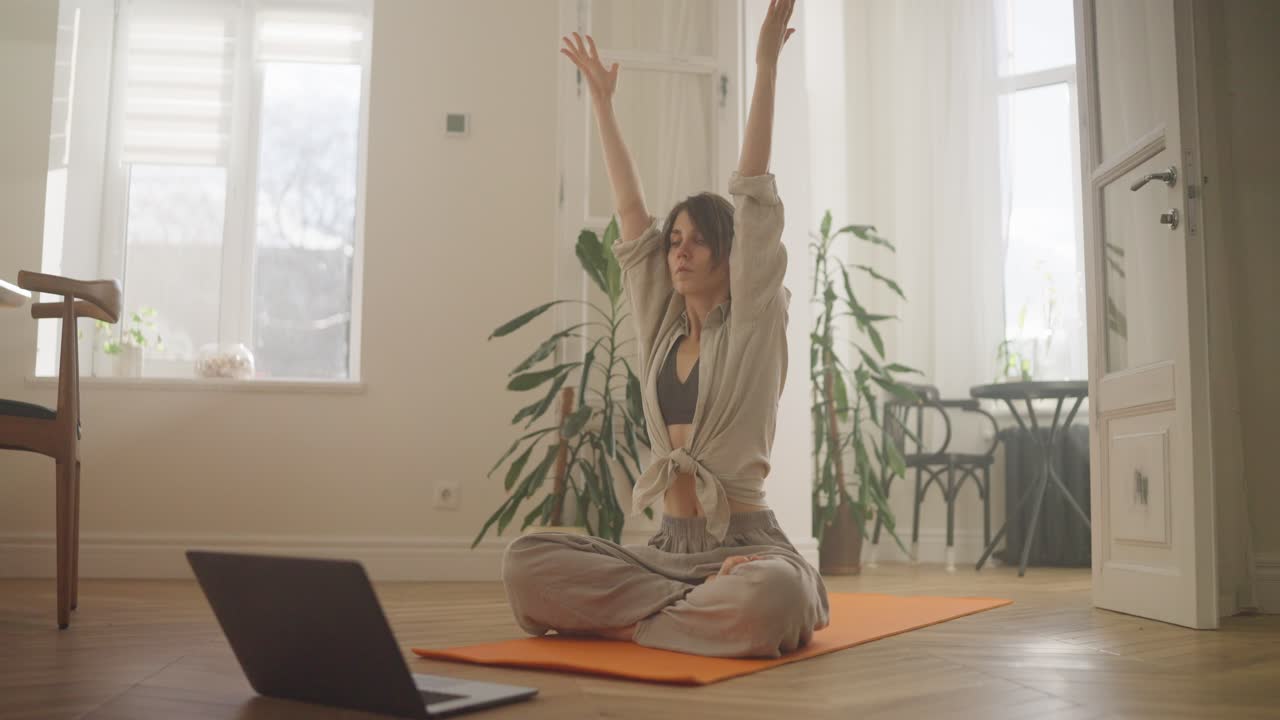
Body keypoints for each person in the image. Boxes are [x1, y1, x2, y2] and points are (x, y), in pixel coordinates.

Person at [502, 0, 828, 659]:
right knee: (526, 561)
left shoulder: (755, 322)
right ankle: (672, 621)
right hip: (663, 553)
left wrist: (764, 63)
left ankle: (633, 623)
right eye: (675, 241)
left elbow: (755, 189)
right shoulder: (661, 329)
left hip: (745, 555)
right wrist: (602, 103)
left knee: (771, 599)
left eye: (697, 241)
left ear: (731, 256)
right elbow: (630, 213)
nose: (678, 251)